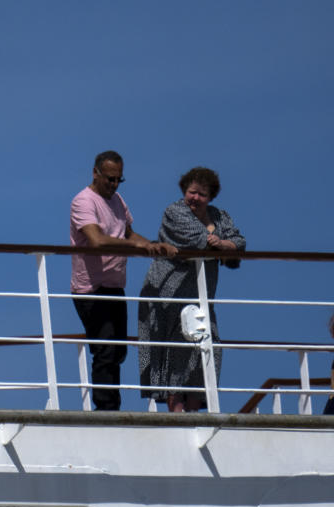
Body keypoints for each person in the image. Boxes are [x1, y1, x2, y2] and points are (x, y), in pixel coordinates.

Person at [70, 150, 177, 411]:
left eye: (119, 179)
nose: (114, 184)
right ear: (95, 173)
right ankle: (106, 410)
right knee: (106, 349)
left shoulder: (117, 200)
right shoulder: (83, 202)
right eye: (110, 179)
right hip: (90, 289)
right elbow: (96, 240)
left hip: (114, 286)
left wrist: (153, 245)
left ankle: (111, 407)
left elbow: (128, 233)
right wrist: (139, 248)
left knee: (117, 351)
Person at [137, 167, 246, 412]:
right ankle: (176, 412)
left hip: (201, 295)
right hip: (169, 293)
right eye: (191, 192)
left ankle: (195, 411)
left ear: (211, 197)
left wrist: (224, 243)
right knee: (177, 349)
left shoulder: (219, 215)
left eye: (202, 195)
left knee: (208, 345)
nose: (195, 198)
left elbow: (239, 243)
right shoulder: (175, 211)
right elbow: (197, 241)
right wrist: (220, 243)